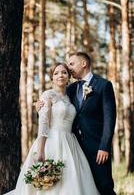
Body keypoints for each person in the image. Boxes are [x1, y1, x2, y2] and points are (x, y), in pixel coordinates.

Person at [4, 63, 99, 195]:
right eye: (56, 73)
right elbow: (44, 124)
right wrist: (40, 150)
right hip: (51, 141)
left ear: (68, 76)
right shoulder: (47, 95)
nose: (60, 75)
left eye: (64, 72)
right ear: (52, 78)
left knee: (71, 180)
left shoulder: (70, 96)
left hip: (70, 143)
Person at [37, 52, 117, 195]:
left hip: (97, 148)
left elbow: (110, 119)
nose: (69, 68)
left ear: (84, 64)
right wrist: (40, 107)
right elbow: (55, 108)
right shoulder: (71, 89)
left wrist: (104, 146)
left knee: (104, 186)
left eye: (72, 64)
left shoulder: (103, 85)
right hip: (74, 148)